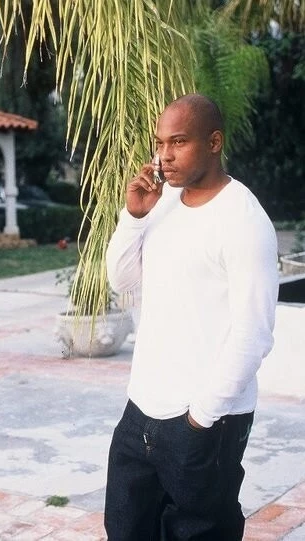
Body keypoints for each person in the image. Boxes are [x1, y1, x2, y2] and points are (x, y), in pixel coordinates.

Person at [103, 93, 279, 540]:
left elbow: (254, 334)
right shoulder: (161, 202)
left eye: (178, 142)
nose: (164, 155)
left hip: (204, 421)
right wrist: (134, 216)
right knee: (124, 530)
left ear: (214, 142)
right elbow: (122, 280)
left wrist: (199, 419)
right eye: (160, 143)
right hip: (140, 412)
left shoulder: (243, 219)